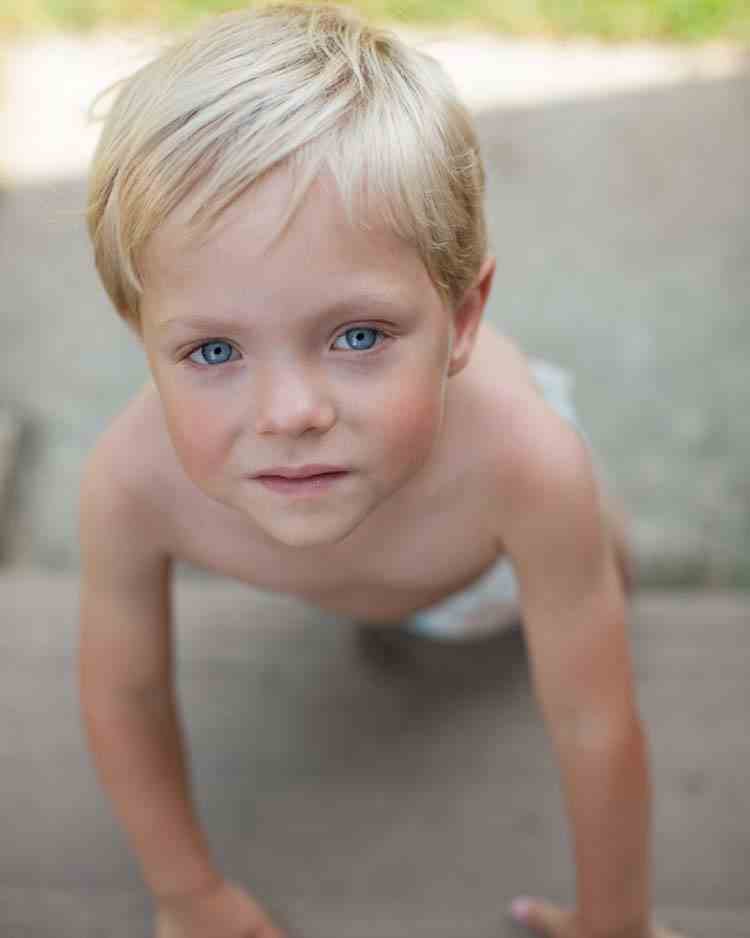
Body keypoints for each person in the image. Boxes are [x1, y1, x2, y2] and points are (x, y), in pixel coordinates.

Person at [79, 4, 684, 937]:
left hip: (484, 571)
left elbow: (596, 723)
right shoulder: (129, 484)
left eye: (357, 335)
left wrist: (619, 922)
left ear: (463, 320)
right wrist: (188, 894)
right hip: (376, 564)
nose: (289, 415)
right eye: (210, 351)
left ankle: (608, 554)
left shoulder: (527, 467)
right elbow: (125, 688)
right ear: (141, 339)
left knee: (590, 574)